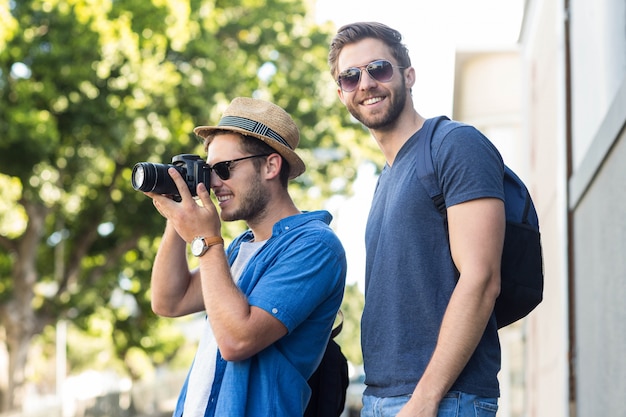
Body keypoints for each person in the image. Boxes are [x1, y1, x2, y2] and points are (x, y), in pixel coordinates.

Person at [328, 22, 505, 417]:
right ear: (341, 93)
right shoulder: (385, 179)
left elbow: (481, 279)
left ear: (408, 75)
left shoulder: (454, 144)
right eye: (350, 76)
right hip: (382, 398)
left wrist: (425, 400)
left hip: (444, 401)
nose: (366, 83)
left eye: (379, 69)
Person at [146, 97, 347, 416]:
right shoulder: (241, 246)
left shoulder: (314, 246)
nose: (213, 184)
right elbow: (168, 301)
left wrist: (206, 240)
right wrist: (179, 213)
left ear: (270, 165)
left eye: (224, 169)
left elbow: (236, 341)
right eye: (208, 171)